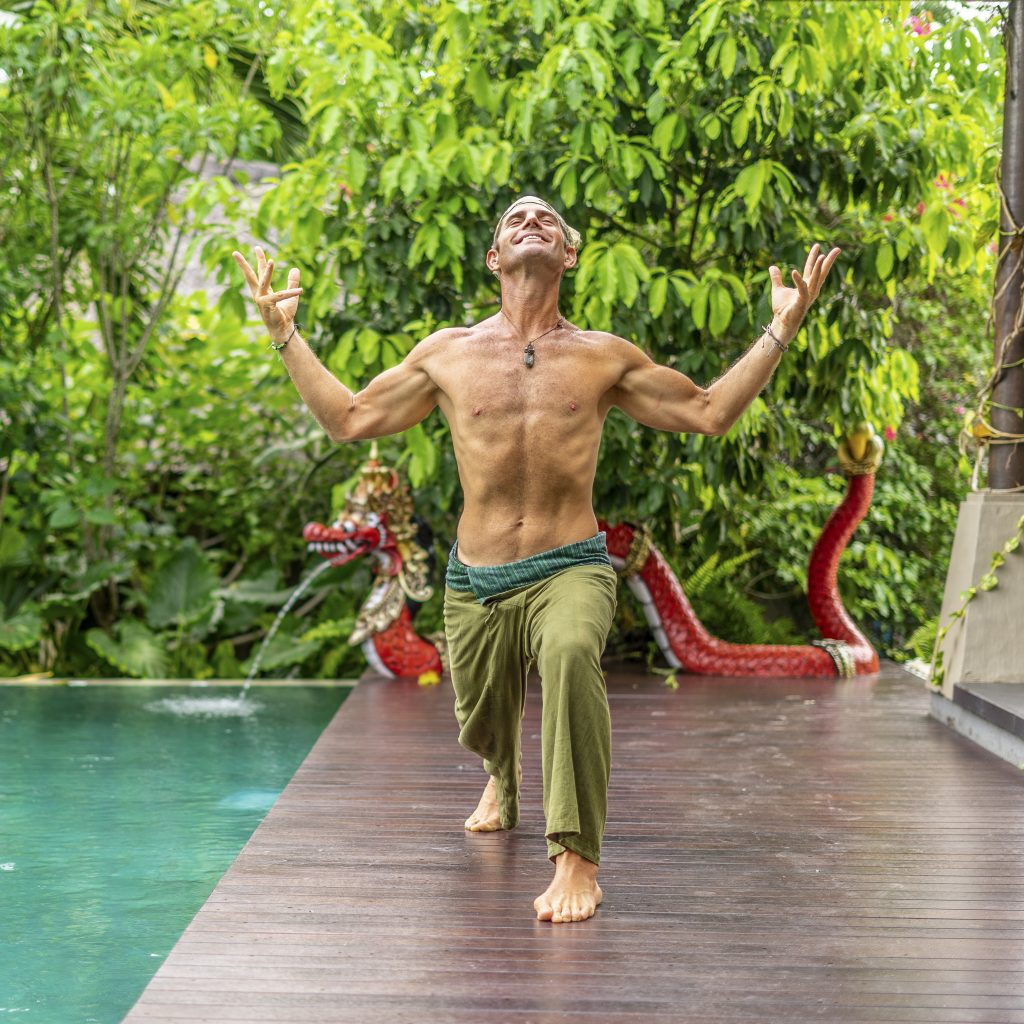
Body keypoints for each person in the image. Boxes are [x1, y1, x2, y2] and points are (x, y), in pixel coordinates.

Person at [232, 196, 840, 924]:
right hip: (477, 578)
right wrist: (285, 335)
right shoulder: (446, 354)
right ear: (494, 259)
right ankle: (499, 770)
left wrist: (783, 325)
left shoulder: (603, 357)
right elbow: (350, 419)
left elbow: (710, 412)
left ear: (569, 256)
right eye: (513, 221)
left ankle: (576, 859)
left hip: (570, 565)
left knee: (574, 653)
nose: (529, 223)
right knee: (480, 718)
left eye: (546, 220)